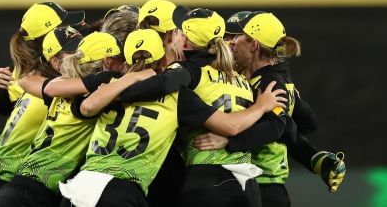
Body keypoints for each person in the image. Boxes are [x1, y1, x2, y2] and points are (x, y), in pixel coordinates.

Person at [59, 29, 286, 207]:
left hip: (78, 188)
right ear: (162, 61)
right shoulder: (176, 96)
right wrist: (261, 106)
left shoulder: (108, 87)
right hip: (123, 191)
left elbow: (87, 107)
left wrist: (128, 79)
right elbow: (231, 125)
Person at [193, 11, 345, 207]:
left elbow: (276, 128)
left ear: (254, 44)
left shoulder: (268, 83)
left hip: (263, 183)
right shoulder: (276, 80)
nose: (230, 42)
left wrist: (229, 141)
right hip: (262, 183)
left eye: (236, 36)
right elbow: (306, 122)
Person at [0, 30, 155, 207]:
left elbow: (28, 81)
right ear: (108, 61)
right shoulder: (103, 86)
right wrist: (135, 76)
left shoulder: (64, 85)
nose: (125, 64)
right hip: (36, 194)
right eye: (120, 59)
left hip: (20, 187)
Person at [0, 3, 84, 207]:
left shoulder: (30, 72)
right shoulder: (54, 79)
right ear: (49, 36)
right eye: (66, 28)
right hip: (14, 181)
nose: (75, 31)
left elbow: (8, 105)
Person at [177, 8, 269, 207]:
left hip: (206, 177)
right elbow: (268, 127)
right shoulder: (242, 78)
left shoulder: (188, 75)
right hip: (248, 182)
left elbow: (230, 126)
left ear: (185, 42)